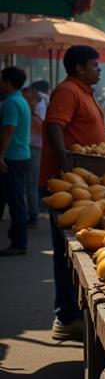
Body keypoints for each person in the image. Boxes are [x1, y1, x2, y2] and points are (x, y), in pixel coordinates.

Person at [41, 45, 105, 341]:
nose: (99, 69)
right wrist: (66, 166)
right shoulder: (68, 90)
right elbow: (54, 125)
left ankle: (69, 314)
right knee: (67, 252)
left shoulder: (82, 90)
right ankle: (65, 317)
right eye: (95, 65)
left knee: (71, 251)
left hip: (82, 181)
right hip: (68, 182)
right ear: (80, 67)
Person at [0, 66, 31, 256]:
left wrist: (0, 155)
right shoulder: (20, 99)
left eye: (1, 79)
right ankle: (17, 240)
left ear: (8, 82)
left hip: (12, 158)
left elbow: (9, 129)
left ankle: (19, 243)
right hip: (19, 156)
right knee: (13, 199)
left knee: (16, 202)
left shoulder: (12, 102)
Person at [22, 84, 46, 228]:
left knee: (30, 185)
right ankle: (32, 214)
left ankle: (33, 216)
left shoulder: (34, 119)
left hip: (33, 151)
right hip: (33, 150)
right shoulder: (35, 117)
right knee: (30, 185)